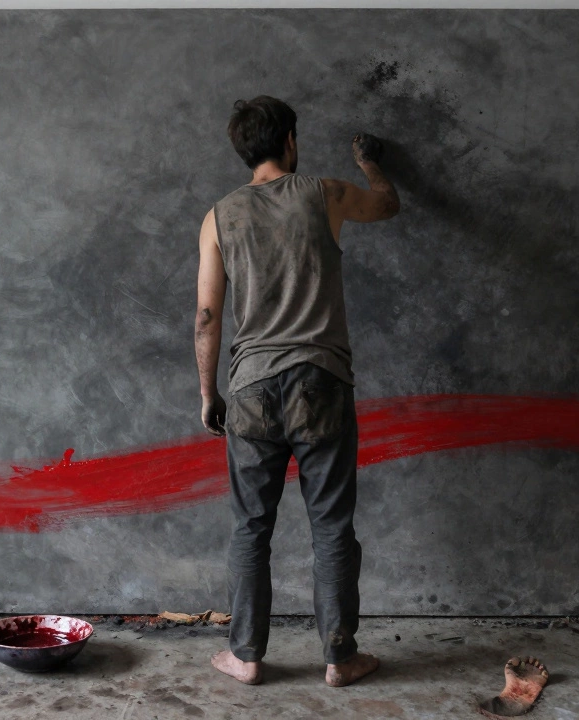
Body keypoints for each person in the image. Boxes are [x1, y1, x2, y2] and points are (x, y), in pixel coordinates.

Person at [192, 95, 400, 687]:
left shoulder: (218, 217)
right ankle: (340, 658)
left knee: (250, 527)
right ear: (289, 140)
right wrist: (371, 166)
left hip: (251, 386)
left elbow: (208, 315)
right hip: (321, 380)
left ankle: (246, 656)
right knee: (331, 525)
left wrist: (210, 394)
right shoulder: (323, 193)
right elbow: (388, 203)